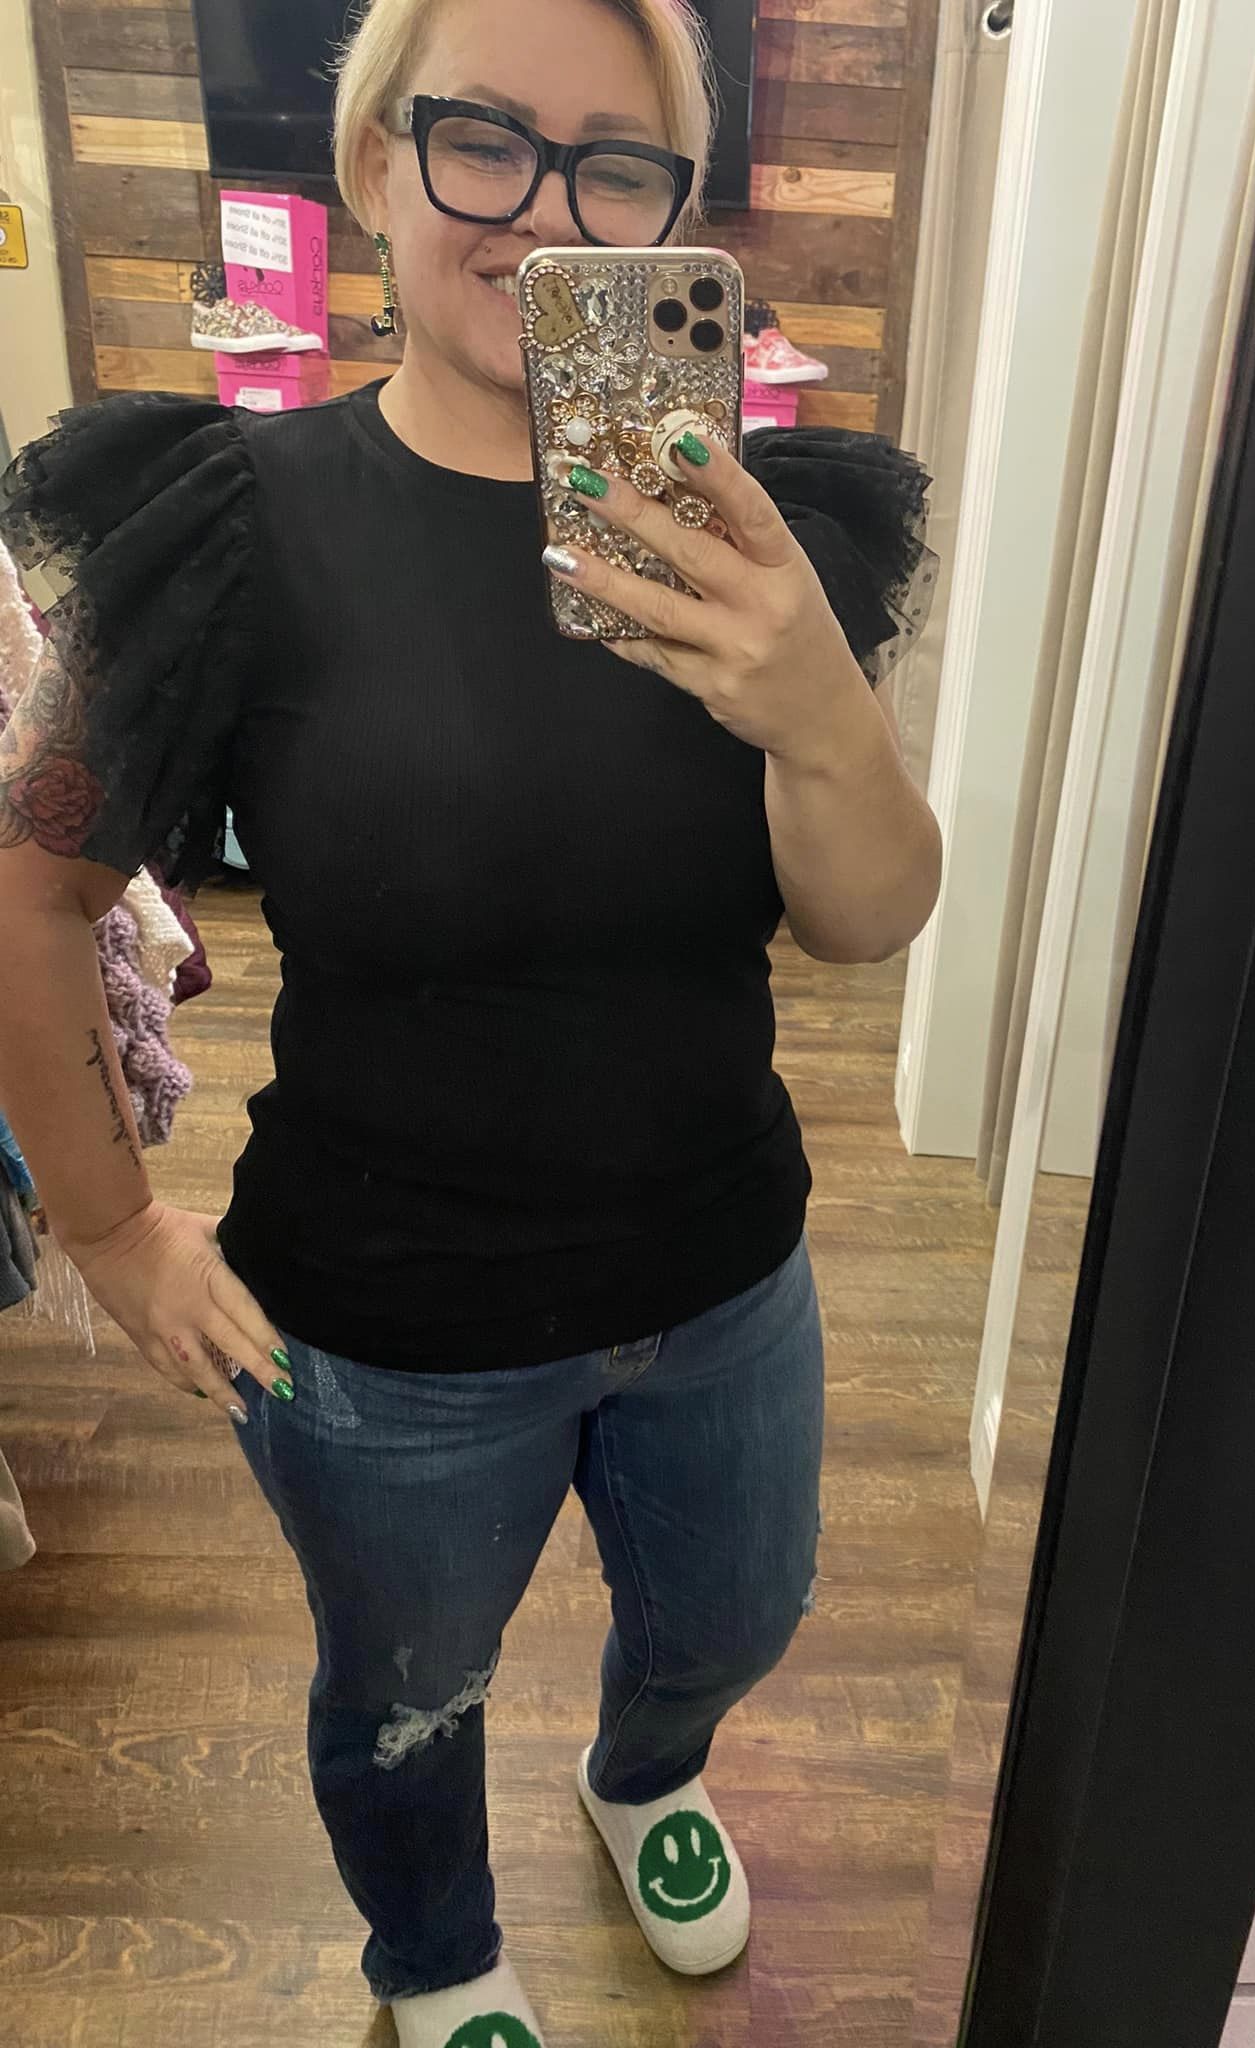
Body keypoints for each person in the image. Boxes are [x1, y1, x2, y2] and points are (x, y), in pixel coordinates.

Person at [0, 0, 941, 2040]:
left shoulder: (759, 533)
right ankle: (432, 1955)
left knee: (737, 1615)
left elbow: (870, 918)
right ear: (374, 163)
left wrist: (817, 705)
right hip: (391, 1335)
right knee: (407, 1694)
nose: (548, 212)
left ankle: (646, 1774)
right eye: (484, 140)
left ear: (675, 216)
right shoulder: (235, 524)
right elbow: (30, 878)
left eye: (619, 168)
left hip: (727, 1279)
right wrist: (111, 1226)